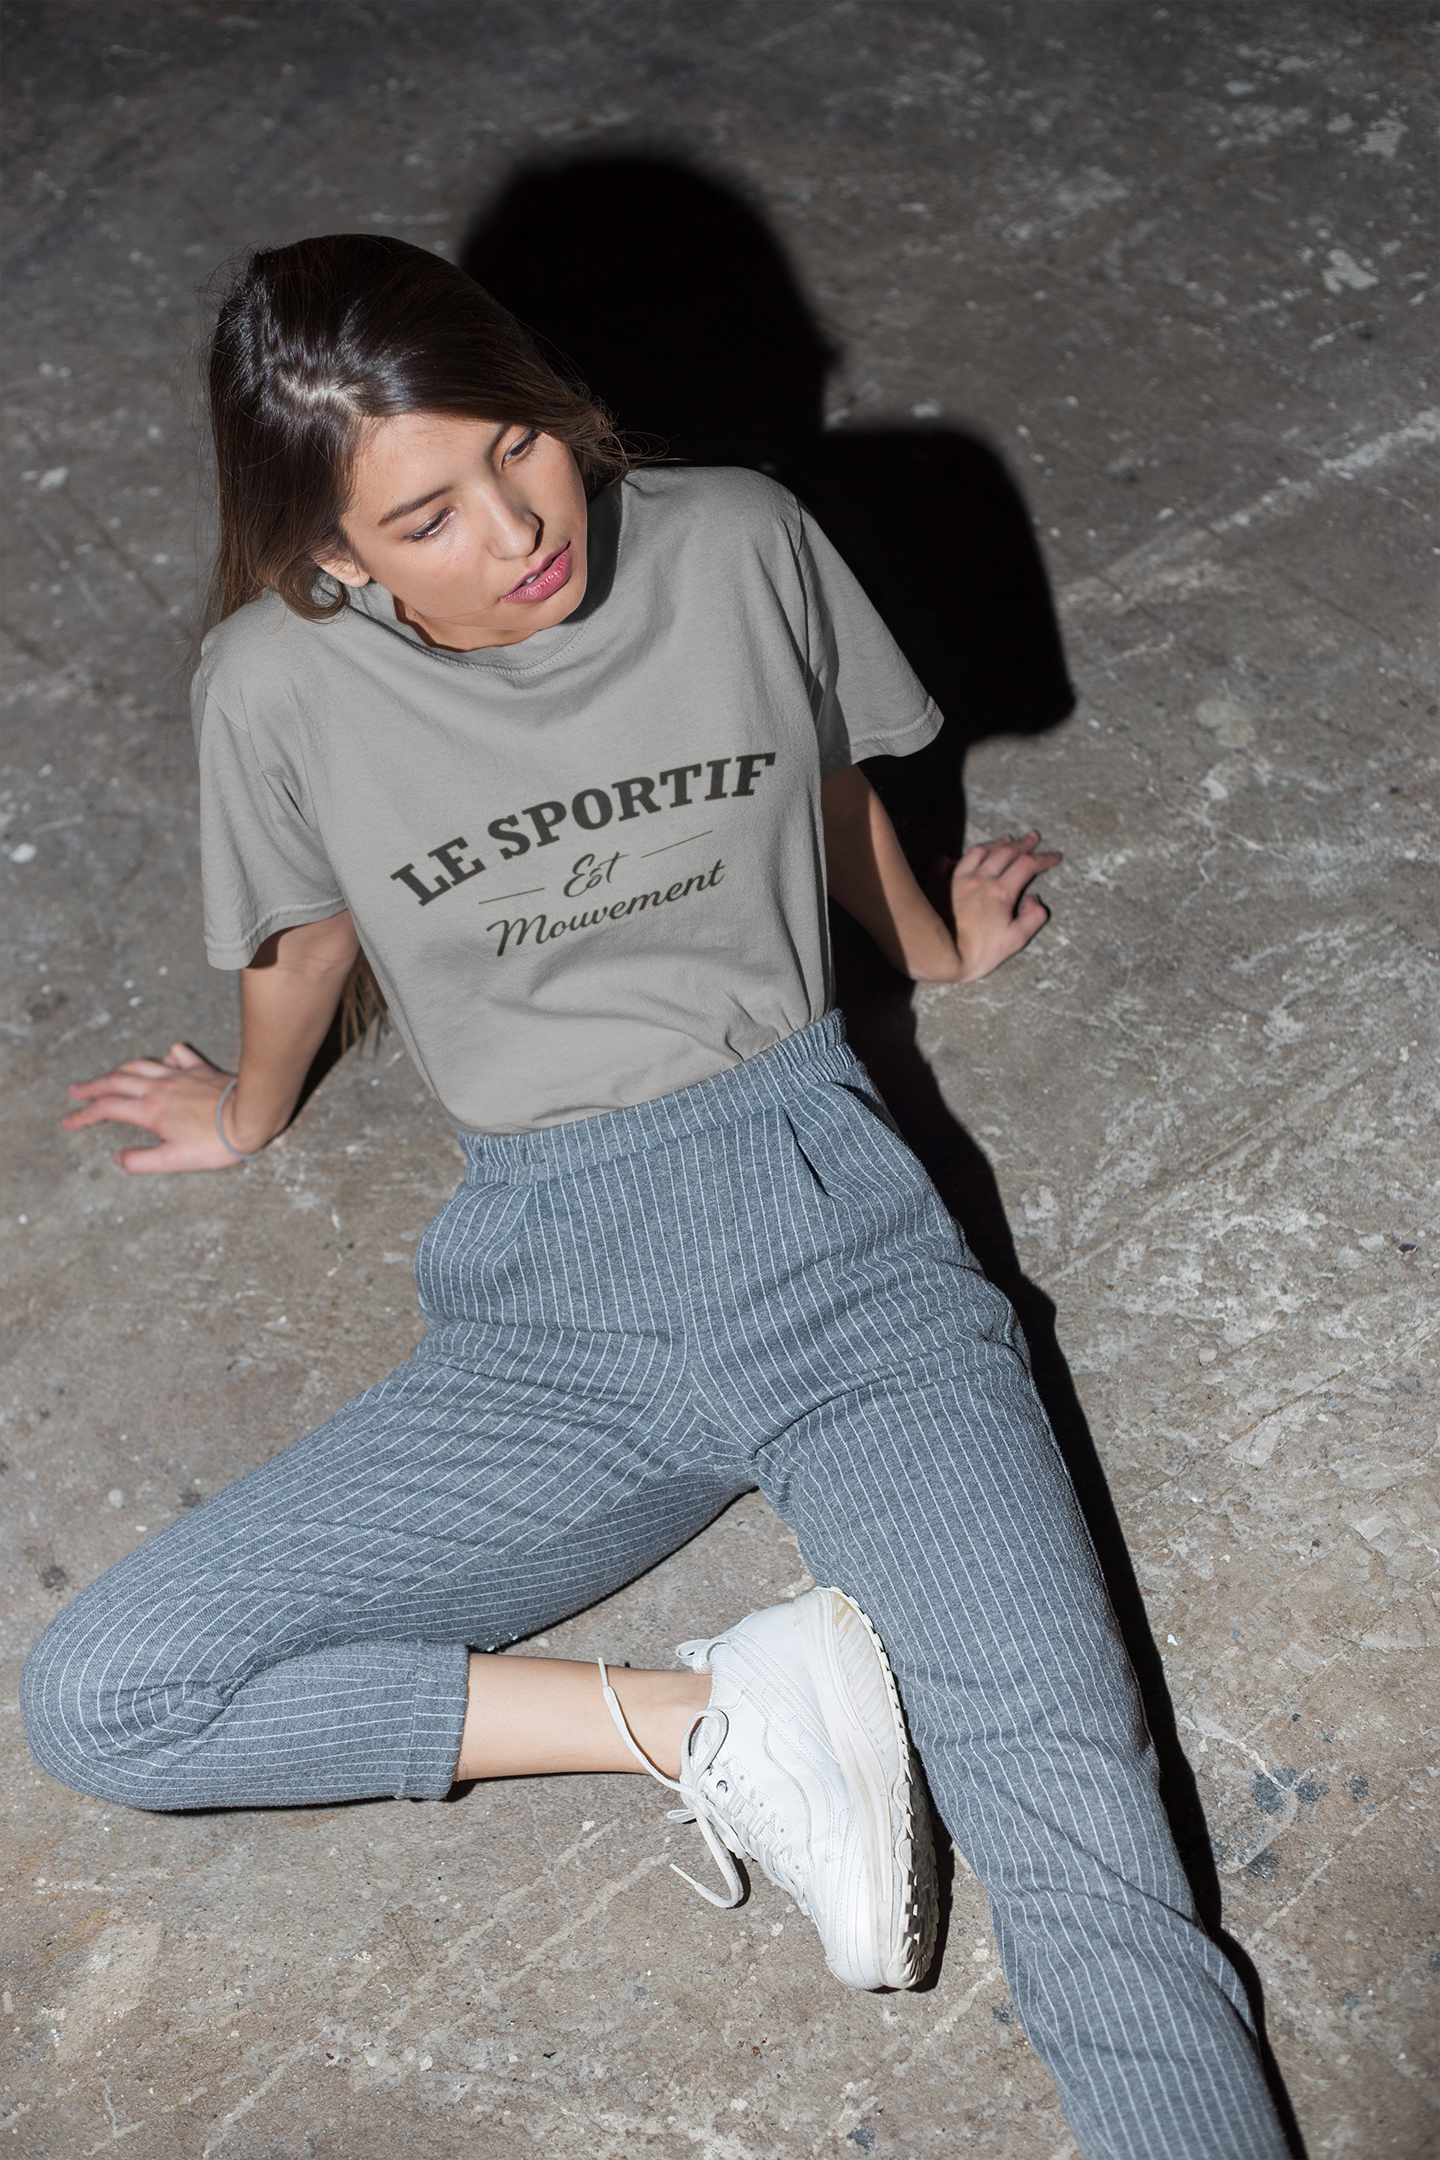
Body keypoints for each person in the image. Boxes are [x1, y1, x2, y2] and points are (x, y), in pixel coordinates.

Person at [21, 235, 1286, 2160]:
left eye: (520, 445)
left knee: (1087, 1835)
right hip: (548, 1311)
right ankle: (707, 1721)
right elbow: (300, 935)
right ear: (336, 554)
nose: (521, 525)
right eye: (428, 514)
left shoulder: (730, 537)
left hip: (837, 1246)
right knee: (110, 1703)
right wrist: (249, 1111)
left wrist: (929, 946)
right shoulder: (273, 682)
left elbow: (819, 772)